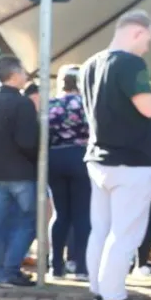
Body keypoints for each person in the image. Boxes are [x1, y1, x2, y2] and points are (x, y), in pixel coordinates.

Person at [80, 9, 151, 300]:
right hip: (131, 162)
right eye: (147, 40)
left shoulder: (90, 65)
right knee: (125, 236)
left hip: (99, 160)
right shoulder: (132, 63)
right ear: (138, 32)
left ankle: (99, 293)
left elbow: (116, 102)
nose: (147, 47)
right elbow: (148, 109)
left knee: (100, 231)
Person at [0, 56, 40, 288]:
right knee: (28, 222)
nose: (26, 76)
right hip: (21, 173)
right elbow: (28, 141)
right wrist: (37, 158)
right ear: (14, 75)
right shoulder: (23, 104)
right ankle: (10, 270)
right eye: (23, 72)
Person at [46, 64, 92, 279]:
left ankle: (56, 266)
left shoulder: (50, 104)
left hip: (54, 158)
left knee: (60, 214)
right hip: (81, 157)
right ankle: (82, 267)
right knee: (82, 214)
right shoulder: (86, 104)